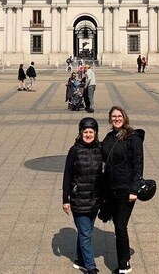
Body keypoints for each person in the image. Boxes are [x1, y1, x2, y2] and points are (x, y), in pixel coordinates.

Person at [101, 106, 144, 274]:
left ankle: (124, 264)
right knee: (117, 225)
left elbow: (138, 165)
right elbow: (101, 153)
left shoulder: (133, 139)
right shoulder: (109, 137)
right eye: (114, 117)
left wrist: (134, 190)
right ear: (110, 119)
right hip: (111, 189)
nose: (116, 119)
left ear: (124, 118)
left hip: (126, 191)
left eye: (119, 116)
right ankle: (123, 260)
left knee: (120, 226)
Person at [62, 117, 103, 274]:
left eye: (91, 132)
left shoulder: (99, 149)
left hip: (95, 199)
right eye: (85, 132)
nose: (88, 135)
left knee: (85, 232)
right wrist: (65, 199)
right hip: (79, 199)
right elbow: (67, 176)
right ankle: (90, 267)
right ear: (80, 133)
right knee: (86, 234)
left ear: (96, 133)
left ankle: (80, 260)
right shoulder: (74, 151)